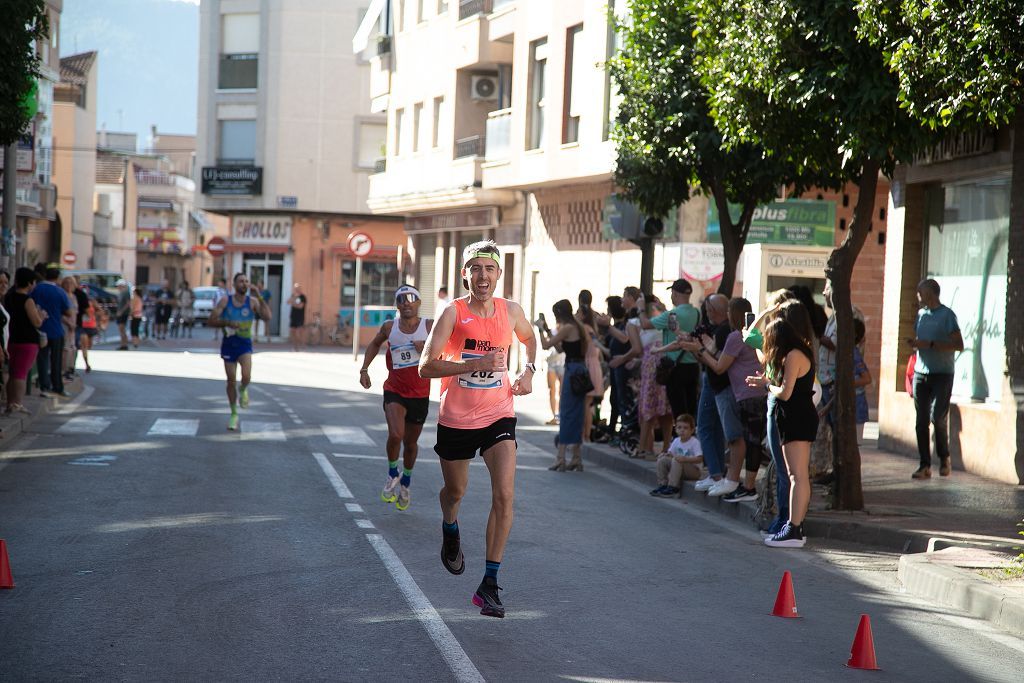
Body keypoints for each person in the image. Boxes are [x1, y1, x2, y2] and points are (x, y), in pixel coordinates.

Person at [418, 240, 537, 619]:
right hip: (456, 417)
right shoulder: (451, 313)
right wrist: (472, 365)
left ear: (499, 274)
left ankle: (489, 585)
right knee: (457, 491)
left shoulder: (512, 311)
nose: (482, 276)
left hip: (499, 414)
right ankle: (449, 525)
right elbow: (425, 366)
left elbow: (530, 339)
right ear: (465, 274)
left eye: (489, 269)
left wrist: (529, 370)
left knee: (504, 495)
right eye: (476, 269)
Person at [359, 285, 433, 511]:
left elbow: (448, 350)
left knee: (410, 443)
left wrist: (427, 350)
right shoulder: (390, 327)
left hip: (420, 393)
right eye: (401, 299)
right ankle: (392, 473)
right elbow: (374, 343)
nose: (406, 303)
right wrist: (364, 369)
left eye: (411, 298)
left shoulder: (429, 326)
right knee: (396, 434)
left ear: (418, 302)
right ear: (397, 304)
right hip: (395, 390)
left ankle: (406, 481)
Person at [749, 309, 819, 549]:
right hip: (794, 417)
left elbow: (785, 392)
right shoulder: (796, 353)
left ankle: (794, 528)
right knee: (796, 475)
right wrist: (768, 383)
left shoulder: (793, 355)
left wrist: (768, 384)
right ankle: (793, 526)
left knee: (796, 476)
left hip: (796, 417)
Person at [677, 294, 749, 498]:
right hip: (720, 385)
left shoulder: (730, 332)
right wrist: (697, 348)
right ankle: (720, 475)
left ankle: (725, 477)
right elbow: (709, 356)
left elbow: (718, 363)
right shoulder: (729, 332)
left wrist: (698, 348)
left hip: (724, 386)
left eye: (727, 311)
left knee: (724, 432)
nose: (708, 314)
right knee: (718, 430)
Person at [907, 278, 963, 479]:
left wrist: (931, 344)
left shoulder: (947, 315)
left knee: (937, 417)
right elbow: (920, 341)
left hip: (942, 374)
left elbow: (959, 345)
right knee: (921, 421)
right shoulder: (921, 315)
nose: (917, 295)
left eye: (920, 291)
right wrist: (915, 344)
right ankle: (924, 465)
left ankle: (944, 457)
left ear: (930, 293)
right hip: (921, 374)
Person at [209, 272, 272, 431]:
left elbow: (267, 317)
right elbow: (211, 320)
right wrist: (227, 322)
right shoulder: (225, 301)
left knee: (246, 375)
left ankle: (243, 388)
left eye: (246, 281)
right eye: (241, 281)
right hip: (229, 343)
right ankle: (234, 413)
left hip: (245, 344)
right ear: (235, 285)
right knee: (230, 380)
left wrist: (260, 297)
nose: (244, 284)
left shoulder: (252, 302)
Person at [538, 299, 588, 471]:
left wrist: (539, 328)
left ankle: (561, 458)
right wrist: (546, 329)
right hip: (580, 369)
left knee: (566, 413)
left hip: (572, 370)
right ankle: (576, 457)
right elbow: (560, 349)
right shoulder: (577, 326)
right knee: (577, 414)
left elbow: (546, 346)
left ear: (559, 313)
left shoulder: (567, 327)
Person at [640, 278, 700, 417]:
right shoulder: (696, 313)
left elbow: (645, 324)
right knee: (690, 410)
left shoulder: (670, 315)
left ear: (675, 293)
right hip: (693, 365)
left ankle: (681, 438)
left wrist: (640, 308)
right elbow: (677, 323)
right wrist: (663, 309)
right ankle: (690, 438)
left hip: (675, 367)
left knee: (678, 411)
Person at [4, 268, 45, 413]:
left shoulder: (8, 297)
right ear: (29, 283)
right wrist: (41, 316)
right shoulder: (28, 300)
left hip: (11, 339)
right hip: (27, 341)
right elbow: (36, 322)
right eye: (33, 282)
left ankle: (10, 403)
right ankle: (18, 403)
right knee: (20, 374)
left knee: (12, 372)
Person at [31, 265, 73, 397]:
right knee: (56, 360)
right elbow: (69, 312)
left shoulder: (36, 289)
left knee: (42, 359)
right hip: (56, 331)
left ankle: (44, 387)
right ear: (57, 278)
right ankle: (58, 387)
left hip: (40, 330)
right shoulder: (60, 292)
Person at [649, 414, 703, 497]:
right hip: (678, 467)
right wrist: (665, 454)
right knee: (662, 459)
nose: (682, 430)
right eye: (679, 427)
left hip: (693, 471)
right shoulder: (676, 441)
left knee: (677, 460)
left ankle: (673, 488)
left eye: (685, 428)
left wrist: (685, 459)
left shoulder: (694, 442)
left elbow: (699, 459)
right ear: (676, 429)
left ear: (692, 430)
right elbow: (671, 453)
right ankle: (663, 485)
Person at [852, 318, 872, 445]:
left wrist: (848, 383)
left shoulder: (854, 354)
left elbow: (867, 378)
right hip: (853, 402)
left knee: (855, 443)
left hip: (856, 402)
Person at [60, 277, 79, 380]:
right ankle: (64, 370)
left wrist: (74, 324)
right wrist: (68, 323)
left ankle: (70, 368)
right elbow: (60, 313)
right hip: (65, 325)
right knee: (65, 349)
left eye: (71, 283)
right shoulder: (63, 296)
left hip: (73, 325)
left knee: (72, 348)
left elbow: (75, 312)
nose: (69, 285)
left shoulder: (74, 297)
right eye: (66, 283)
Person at [78, 295, 98, 372]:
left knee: (89, 346)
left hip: (91, 326)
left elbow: (99, 311)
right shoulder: (79, 302)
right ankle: (87, 364)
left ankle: (86, 361)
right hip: (82, 326)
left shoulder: (92, 301)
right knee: (84, 346)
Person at [288, 283, 307, 351]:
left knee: (299, 333)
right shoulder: (293, 296)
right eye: (295, 288)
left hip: (300, 317)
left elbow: (300, 306)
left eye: (298, 288)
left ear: (300, 288)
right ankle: (295, 347)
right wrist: (293, 300)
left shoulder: (303, 297)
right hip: (293, 316)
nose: (296, 289)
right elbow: (288, 302)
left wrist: (293, 303)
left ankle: (303, 346)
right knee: (293, 332)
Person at [114, 279, 131, 350]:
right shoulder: (121, 293)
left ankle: (124, 344)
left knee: (122, 328)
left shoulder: (126, 292)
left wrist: (121, 311)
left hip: (124, 314)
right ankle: (123, 344)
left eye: (118, 286)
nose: (117, 287)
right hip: (120, 313)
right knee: (121, 329)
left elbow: (128, 303)